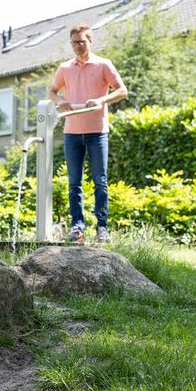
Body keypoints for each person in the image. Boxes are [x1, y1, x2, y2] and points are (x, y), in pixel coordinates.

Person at [48, 23, 128, 243]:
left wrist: (101, 99)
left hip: (97, 132)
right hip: (71, 132)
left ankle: (102, 228)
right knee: (74, 183)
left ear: (90, 41)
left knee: (100, 181)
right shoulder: (65, 68)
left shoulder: (103, 65)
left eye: (82, 42)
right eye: (74, 42)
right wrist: (61, 100)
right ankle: (78, 227)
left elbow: (122, 91)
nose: (78, 46)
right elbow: (52, 91)